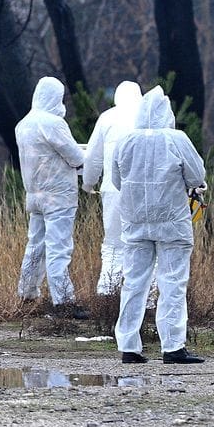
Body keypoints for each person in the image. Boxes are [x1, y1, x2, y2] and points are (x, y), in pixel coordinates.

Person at [112, 86, 207, 365]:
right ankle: (173, 347)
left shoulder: (125, 140)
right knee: (172, 282)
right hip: (172, 223)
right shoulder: (176, 139)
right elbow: (196, 174)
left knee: (133, 283)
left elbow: (117, 180)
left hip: (135, 222)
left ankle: (129, 346)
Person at [15, 76, 89, 320]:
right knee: (59, 248)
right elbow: (75, 157)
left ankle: (27, 294)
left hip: (35, 196)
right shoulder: (53, 123)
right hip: (58, 197)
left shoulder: (23, 124)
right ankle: (64, 301)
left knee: (35, 245)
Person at [82, 81, 143, 295]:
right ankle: (149, 298)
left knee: (114, 244)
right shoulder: (147, 118)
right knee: (145, 245)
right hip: (144, 192)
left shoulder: (107, 118)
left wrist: (88, 182)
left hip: (112, 190)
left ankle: (107, 294)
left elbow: (92, 156)